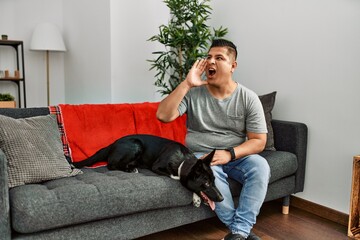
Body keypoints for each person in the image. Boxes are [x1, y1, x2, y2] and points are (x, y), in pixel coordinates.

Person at [156, 39, 270, 240]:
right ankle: (241, 233)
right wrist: (187, 83)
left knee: (260, 166)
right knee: (209, 176)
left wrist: (229, 153)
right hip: (201, 156)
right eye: (208, 57)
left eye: (219, 58)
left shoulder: (248, 98)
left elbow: (259, 141)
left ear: (233, 66)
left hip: (235, 156)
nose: (211, 62)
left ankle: (238, 233)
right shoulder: (193, 93)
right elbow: (163, 115)